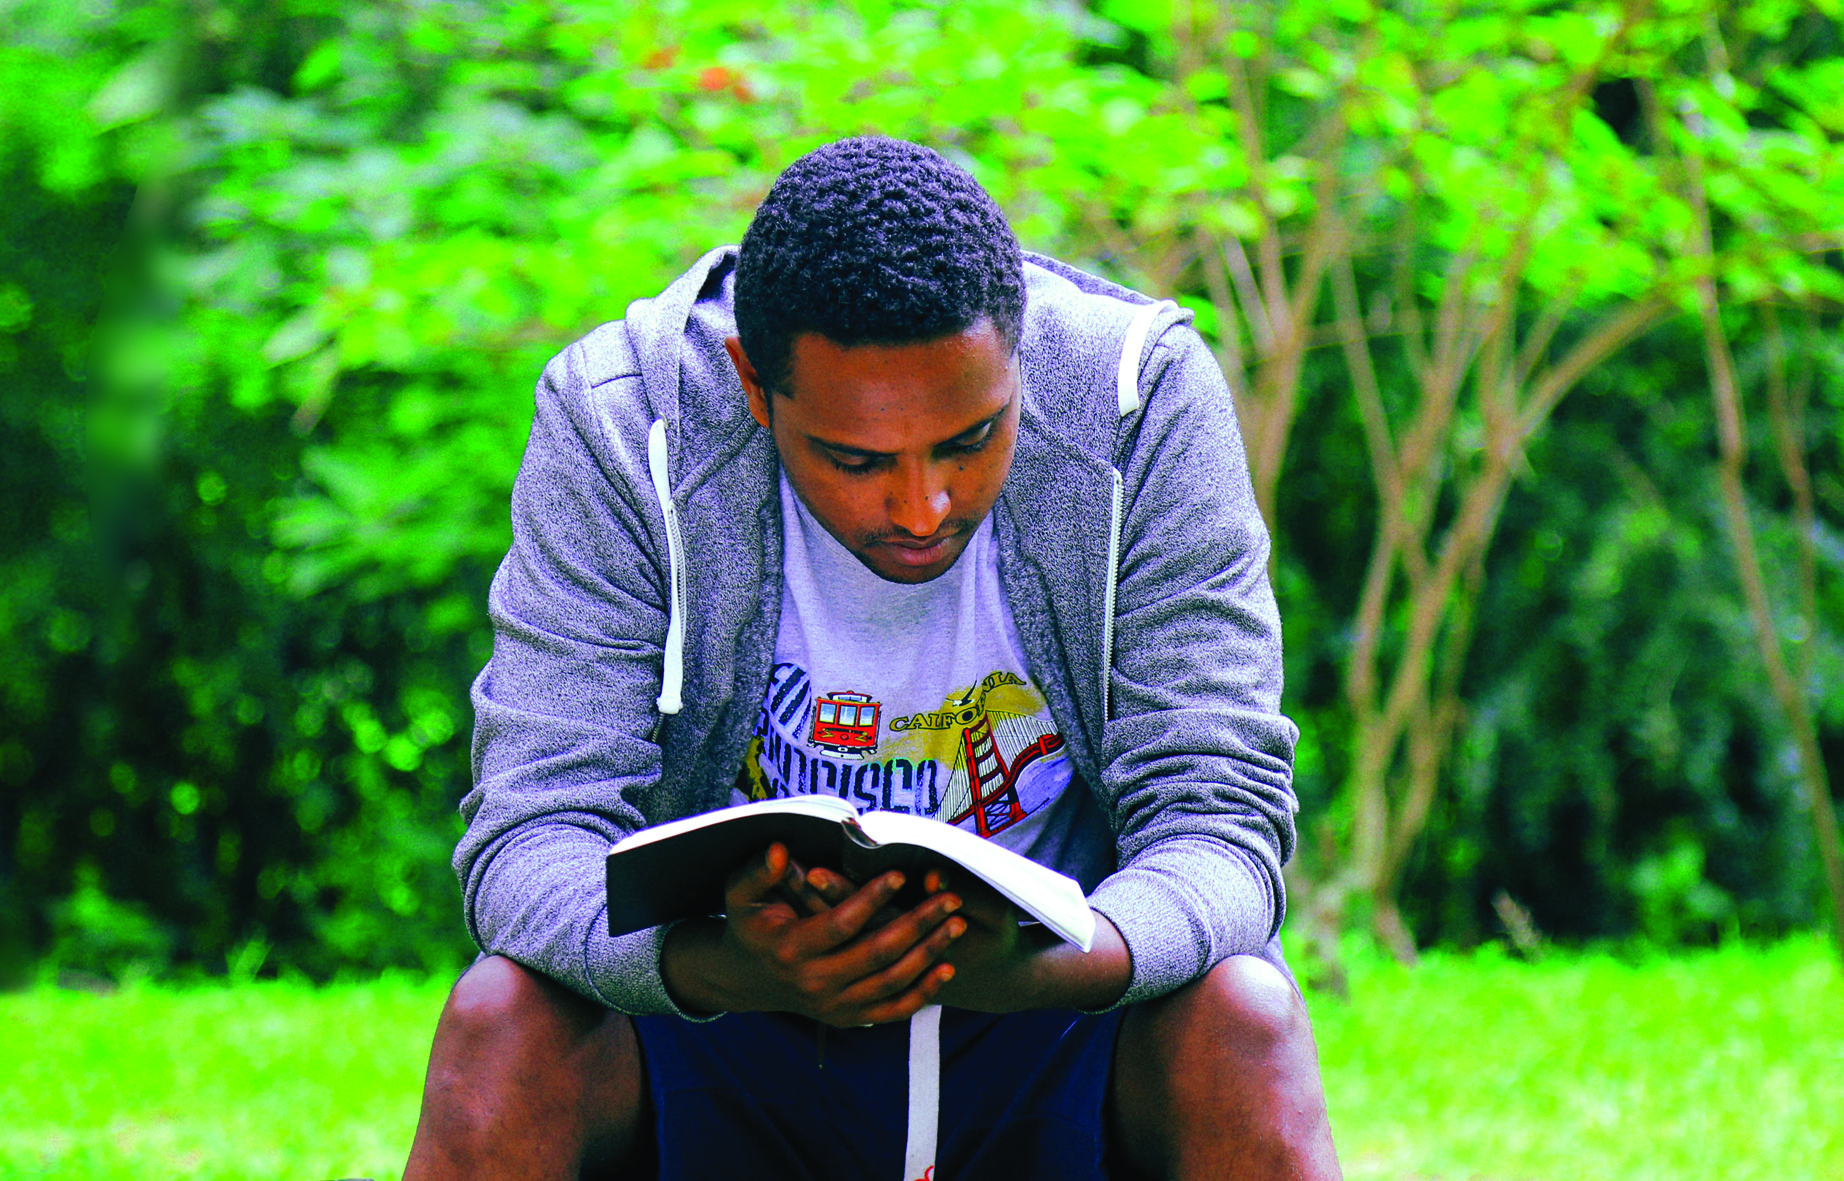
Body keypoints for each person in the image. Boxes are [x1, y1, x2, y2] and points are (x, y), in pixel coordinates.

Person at [402, 137, 1342, 1181]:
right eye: (856, 460)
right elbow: (529, 836)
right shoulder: (625, 422)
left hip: (1060, 1013)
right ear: (751, 387)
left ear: (1019, 358)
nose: (921, 506)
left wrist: (1043, 964)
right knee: (502, 1020)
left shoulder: (1134, 402)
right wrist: (722, 963)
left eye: (970, 437)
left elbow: (1221, 818)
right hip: (722, 1019)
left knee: (1243, 1013)